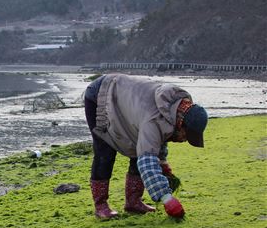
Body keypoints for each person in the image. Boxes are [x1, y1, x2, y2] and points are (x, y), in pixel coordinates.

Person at [83, 74, 208, 219]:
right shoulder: (153, 119)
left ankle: (133, 202)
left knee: (139, 150)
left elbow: (161, 135)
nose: (185, 140)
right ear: (182, 125)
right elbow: (146, 162)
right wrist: (167, 199)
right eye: (186, 136)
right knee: (105, 153)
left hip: (127, 101)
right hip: (101, 95)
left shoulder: (177, 107)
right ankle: (101, 206)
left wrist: (162, 163)